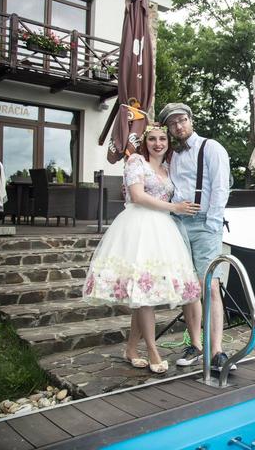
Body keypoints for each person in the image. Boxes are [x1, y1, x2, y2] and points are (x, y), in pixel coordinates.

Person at [83, 123, 201, 374]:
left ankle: (131, 349)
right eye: (152, 139)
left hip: (163, 230)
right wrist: (175, 208)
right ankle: (152, 350)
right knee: (144, 293)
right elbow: (137, 196)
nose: (158, 144)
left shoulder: (168, 167)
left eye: (163, 139)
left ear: (168, 143)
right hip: (139, 227)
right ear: (145, 143)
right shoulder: (136, 161)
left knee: (144, 294)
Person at [158, 103, 233, 370]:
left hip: (204, 223)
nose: (178, 126)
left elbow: (221, 187)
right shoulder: (171, 154)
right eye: (173, 123)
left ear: (191, 120)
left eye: (182, 120)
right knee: (187, 287)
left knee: (210, 285)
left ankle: (217, 351)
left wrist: (212, 224)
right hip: (177, 223)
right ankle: (196, 346)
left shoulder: (211, 147)